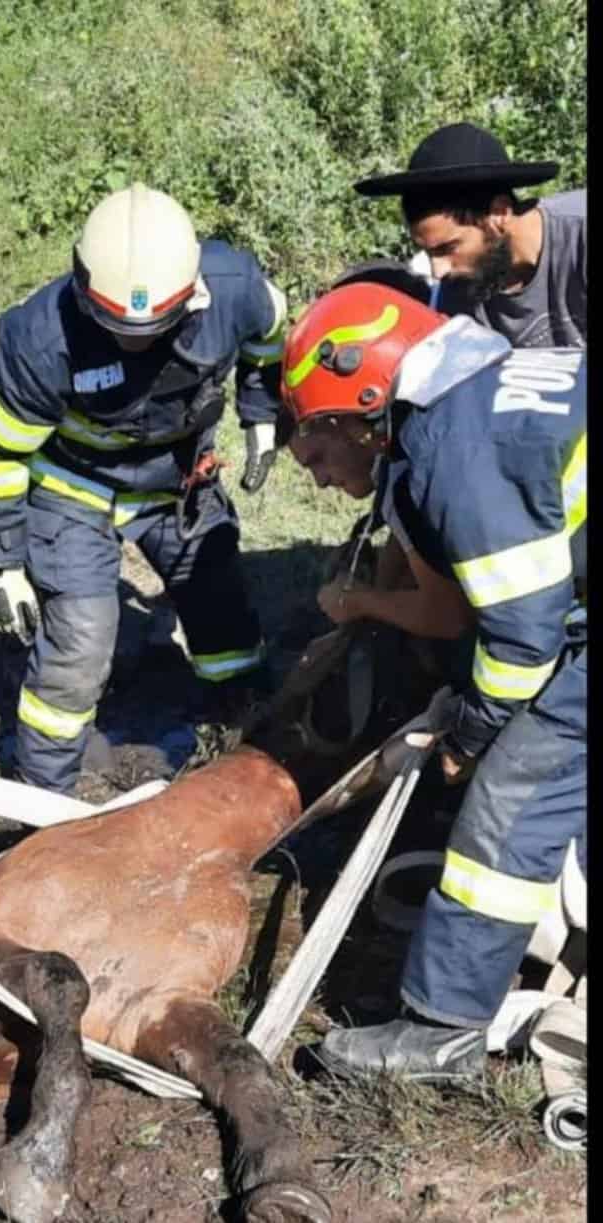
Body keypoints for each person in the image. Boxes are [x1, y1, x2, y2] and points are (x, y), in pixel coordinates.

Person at [277, 281, 585, 1079]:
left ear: (365, 401)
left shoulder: (454, 455)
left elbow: (522, 638)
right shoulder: (483, 392)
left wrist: (471, 737)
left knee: (513, 799)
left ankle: (439, 1030)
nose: (314, 472)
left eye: (318, 443)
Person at [0, 183, 288, 794]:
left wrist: (260, 413)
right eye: (118, 329)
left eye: (154, 330)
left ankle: (242, 729)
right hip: (74, 487)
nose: (136, 342)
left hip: (178, 481)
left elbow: (269, 334)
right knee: (81, 643)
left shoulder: (235, 289)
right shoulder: (40, 341)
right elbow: (4, 454)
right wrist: (3, 566)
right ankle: (43, 798)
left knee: (217, 599)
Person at [354, 121, 585, 347]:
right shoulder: (459, 293)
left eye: (448, 248)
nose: (438, 272)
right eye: (428, 253)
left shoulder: (579, 237)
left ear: (499, 213)